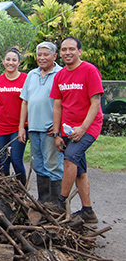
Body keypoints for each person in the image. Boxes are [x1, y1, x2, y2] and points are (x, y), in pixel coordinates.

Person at [48, 37, 103, 223]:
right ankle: (88, 211)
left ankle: (60, 202)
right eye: (64, 49)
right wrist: (56, 134)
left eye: (72, 49)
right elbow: (57, 106)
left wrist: (83, 128)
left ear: (80, 51)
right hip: (68, 128)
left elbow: (95, 103)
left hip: (88, 126)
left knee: (70, 158)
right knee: (79, 169)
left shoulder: (89, 70)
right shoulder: (60, 75)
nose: (67, 53)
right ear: (60, 53)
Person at [18, 42, 63, 203]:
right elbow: (25, 102)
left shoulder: (61, 74)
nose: (42, 58)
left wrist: (59, 126)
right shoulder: (32, 75)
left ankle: (56, 203)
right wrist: (22, 127)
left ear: (55, 56)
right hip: (34, 128)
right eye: (40, 55)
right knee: (38, 165)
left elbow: (66, 102)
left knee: (53, 166)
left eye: (46, 54)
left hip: (51, 129)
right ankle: (43, 201)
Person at [0, 48, 28, 185]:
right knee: (3, 162)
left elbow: (28, 103)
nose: (10, 62)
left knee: (16, 160)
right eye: (8, 59)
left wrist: (22, 127)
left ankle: (22, 192)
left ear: (19, 63)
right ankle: (5, 195)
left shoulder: (26, 79)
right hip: (1, 127)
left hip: (19, 127)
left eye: (14, 60)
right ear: (3, 61)